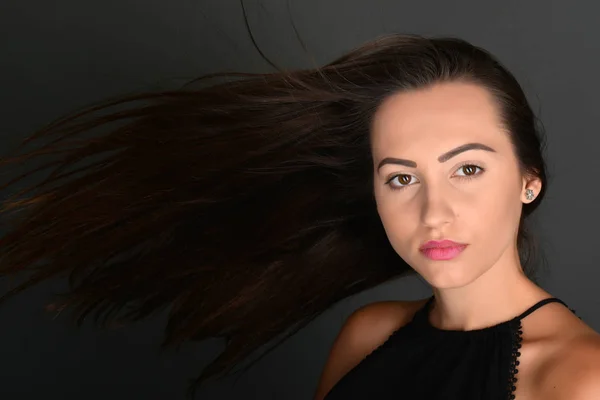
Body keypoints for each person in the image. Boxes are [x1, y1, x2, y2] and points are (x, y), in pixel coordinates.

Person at [0, 28, 598, 400]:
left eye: (467, 169)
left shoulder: (580, 378)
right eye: (400, 177)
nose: (432, 211)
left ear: (527, 180)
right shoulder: (368, 335)